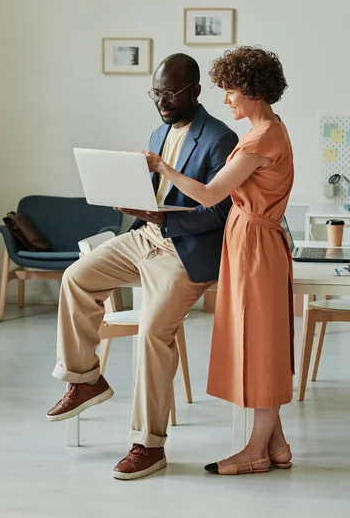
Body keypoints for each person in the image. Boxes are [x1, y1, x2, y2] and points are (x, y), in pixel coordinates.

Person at [47, 53, 238, 480]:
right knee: (76, 277)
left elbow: (219, 214)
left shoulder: (221, 139)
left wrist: (164, 218)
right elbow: (157, 194)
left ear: (195, 91)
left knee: (153, 332)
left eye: (171, 92)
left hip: (186, 252)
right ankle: (84, 378)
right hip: (146, 237)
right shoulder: (159, 130)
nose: (162, 101)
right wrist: (134, 201)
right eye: (156, 93)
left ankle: (147, 445)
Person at [143, 46, 294, 476]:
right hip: (250, 242)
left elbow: (211, 194)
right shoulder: (267, 129)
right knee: (256, 341)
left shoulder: (262, 137)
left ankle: (255, 451)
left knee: (260, 346)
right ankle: (276, 445)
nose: (225, 100)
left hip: (256, 247)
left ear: (250, 90)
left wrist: (162, 168)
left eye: (230, 91)